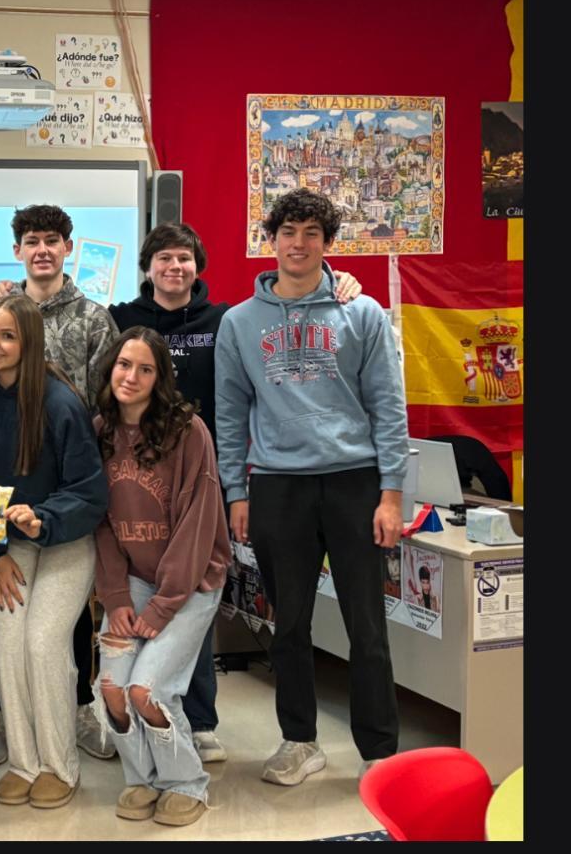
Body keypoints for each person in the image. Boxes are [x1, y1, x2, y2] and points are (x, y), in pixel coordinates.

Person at [106, 223, 363, 764]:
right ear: (148, 266)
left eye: (184, 258)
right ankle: (144, 712)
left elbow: (235, 399)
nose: (174, 267)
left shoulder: (224, 319)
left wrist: (343, 282)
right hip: (137, 484)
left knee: (192, 596)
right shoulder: (120, 318)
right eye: (163, 258)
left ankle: (199, 720)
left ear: (197, 266)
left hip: (202, 478)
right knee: (145, 596)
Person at [215, 188, 408, 785]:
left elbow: (388, 405)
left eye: (311, 234)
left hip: (354, 483)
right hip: (278, 486)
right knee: (289, 624)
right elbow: (229, 413)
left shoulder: (363, 313)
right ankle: (299, 740)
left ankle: (380, 752)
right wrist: (236, 492)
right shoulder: (239, 322)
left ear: (327, 243)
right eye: (288, 233)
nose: (298, 244)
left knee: (366, 625)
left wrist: (392, 493)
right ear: (271, 241)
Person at [0, 204, 118, 764]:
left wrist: (65, 508)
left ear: (67, 247)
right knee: (6, 633)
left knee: (54, 635)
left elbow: (108, 405)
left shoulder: (92, 322)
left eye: (52, 240)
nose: (42, 249)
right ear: (18, 250)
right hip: (8, 525)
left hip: (69, 504)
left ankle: (74, 713)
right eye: (31, 240)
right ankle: (5, 719)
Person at [92, 326, 231, 827]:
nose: (131, 377)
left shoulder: (188, 432)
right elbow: (100, 522)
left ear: (160, 378)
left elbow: (198, 525)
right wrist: (115, 596)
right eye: (124, 365)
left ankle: (186, 783)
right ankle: (142, 779)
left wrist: (163, 604)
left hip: (189, 583)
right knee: (112, 687)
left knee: (146, 691)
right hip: (131, 579)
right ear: (110, 369)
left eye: (145, 369)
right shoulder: (99, 430)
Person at [0, 295, 108, 809]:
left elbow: (89, 491)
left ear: (29, 343)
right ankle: (24, 763)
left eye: (7, 335)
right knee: (7, 646)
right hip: (7, 547)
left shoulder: (60, 402)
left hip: (65, 540)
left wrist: (44, 518)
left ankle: (58, 765)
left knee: (44, 644)